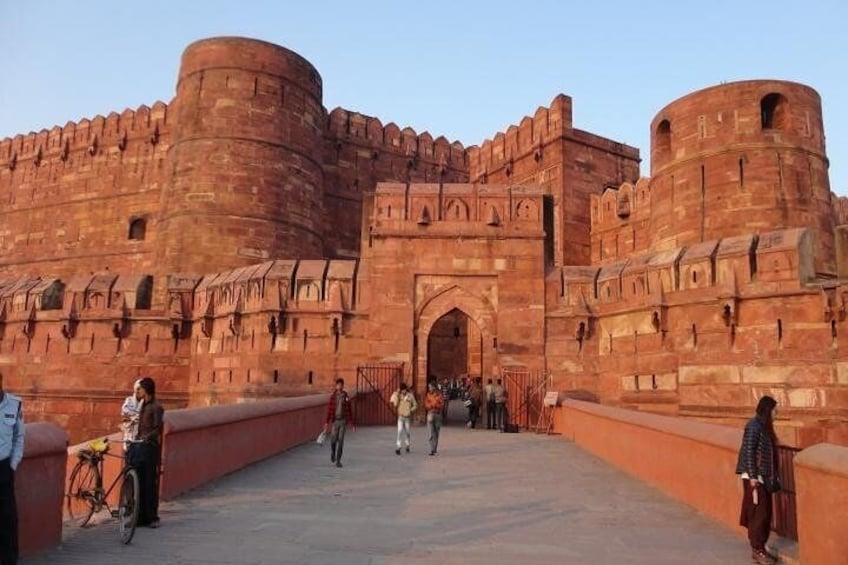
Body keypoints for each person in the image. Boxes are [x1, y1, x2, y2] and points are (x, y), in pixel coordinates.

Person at [735, 395, 780, 565]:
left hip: (762, 477)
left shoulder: (762, 426)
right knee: (758, 514)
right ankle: (757, 550)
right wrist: (753, 476)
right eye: (775, 410)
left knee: (764, 513)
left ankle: (760, 547)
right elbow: (749, 452)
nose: (777, 414)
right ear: (768, 410)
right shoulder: (754, 426)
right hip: (755, 478)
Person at [0, 372, 24, 565]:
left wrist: (13, 464)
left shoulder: (14, 404)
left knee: (8, 518)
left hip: (3, 467)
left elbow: (19, 437)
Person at [135, 377, 164, 529]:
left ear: (146, 390)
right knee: (139, 483)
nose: (137, 392)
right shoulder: (144, 406)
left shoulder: (156, 407)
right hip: (141, 447)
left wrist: (145, 438)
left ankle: (152, 517)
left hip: (150, 448)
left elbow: (157, 429)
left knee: (149, 483)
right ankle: (140, 518)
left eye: (139, 389)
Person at [324, 377, 354, 468]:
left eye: (341, 385)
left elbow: (349, 410)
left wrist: (351, 423)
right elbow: (329, 410)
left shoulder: (346, 396)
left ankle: (338, 460)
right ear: (336, 386)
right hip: (335, 421)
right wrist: (326, 422)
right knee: (333, 440)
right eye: (338, 385)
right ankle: (333, 452)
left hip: (343, 421)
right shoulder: (333, 397)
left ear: (343, 386)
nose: (339, 386)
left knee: (340, 441)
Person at [390, 382, 417, 455]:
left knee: (407, 433)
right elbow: (395, 405)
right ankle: (398, 447)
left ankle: (407, 445)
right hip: (400, 417)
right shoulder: (399, 396)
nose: (403, 391)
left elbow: (415, 405)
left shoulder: (410, 396)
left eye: (404, 390)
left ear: (406, 389)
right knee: (399, 432)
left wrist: (410, 410)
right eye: (402, 390)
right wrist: (396, 394)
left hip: (407, 417)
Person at [120, 379, 144, 450]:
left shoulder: (146, 403)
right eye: (137, 389)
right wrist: (134, 417)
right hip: (130, 432)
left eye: (141, 389)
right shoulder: (129, 400)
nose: (139, 391)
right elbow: (125, 412)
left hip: (141, 434)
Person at [424, 381, 444, 456]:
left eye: (430, 387)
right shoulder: (428, 395)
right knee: (431, 432)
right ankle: (432, 449)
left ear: (434, 387)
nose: (429, 388)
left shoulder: (439, 395)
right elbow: (426, 404)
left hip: (437, 415)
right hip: (430, 413)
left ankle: (434, 448)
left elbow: (441, 404)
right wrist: (434, 404)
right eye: (429, 387)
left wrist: (433, 404)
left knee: (436, 432)